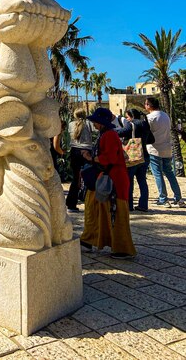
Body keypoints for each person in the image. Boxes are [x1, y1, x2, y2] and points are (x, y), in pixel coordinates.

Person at [80, 108, 136, 259]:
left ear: (101, 122)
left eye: (95, 122)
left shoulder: (109, 135)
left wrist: (89, 158)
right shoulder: (106, 134)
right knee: (96, 208)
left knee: (116, 214)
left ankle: (122, 248)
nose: (94, 124)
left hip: (114, 181)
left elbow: (108, 158)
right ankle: (88, 240)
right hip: (108, 179)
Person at [144, 97, 186, 208]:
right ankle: (178, 197)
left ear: (149, 105)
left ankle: (163, 198)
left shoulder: (149, 117)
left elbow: (146, 132)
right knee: (170, 173)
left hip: (154, 148)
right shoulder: (165, 115)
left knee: (158, 174)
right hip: (167, 148)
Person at [116, 109, 150, 212]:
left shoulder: (131, 124)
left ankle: (129, 205)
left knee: (129, 181)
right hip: (144, 155)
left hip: (133, 156)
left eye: (127, 117)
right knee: (142, 181)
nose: (126, 119)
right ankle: (143, 205)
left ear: (131, 116)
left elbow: (121, 132)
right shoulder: (145, 124)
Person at [66, 109, 92, 212]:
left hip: (74, 151)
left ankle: (71, 203)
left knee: (76, 178)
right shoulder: (88, 124)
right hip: (86, 151)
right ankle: (88, 201)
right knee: (89, 177)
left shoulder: (71, 124)